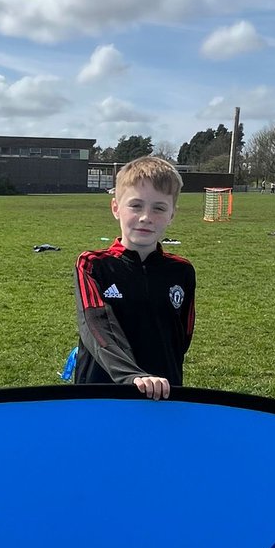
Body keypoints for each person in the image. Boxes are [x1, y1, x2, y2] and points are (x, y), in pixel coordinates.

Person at [73, 156, 195, 400]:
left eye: (159, 208)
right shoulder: (93, 265)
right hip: (102, 392)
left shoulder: (182, 271)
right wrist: (132, 376)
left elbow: (182, 337)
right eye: (136, 205)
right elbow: (97, 325)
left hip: (161, 393)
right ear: (116, 208)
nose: (145, 217)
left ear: (172, 214)